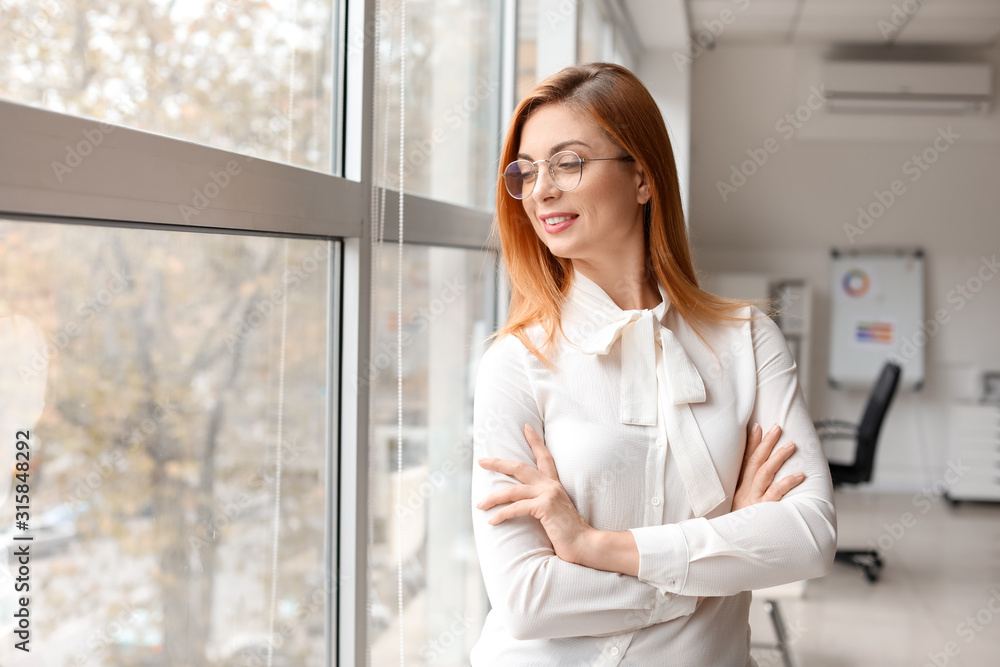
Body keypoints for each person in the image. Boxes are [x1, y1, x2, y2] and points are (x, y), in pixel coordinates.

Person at [469, 62, 836, 666]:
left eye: (568, 162)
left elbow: (809, 538)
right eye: (527, 172)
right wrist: (717, 560)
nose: (541, 191)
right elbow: (527, 600)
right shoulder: (516, 362)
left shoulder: (748, 342)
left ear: (642, 176)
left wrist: (595, 546)